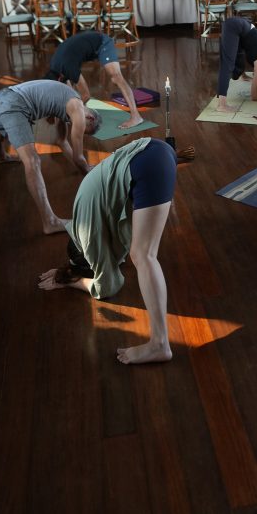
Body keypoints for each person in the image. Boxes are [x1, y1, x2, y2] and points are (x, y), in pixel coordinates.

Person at [37, 137, 176, 365]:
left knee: (143, 255)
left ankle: (159, 343)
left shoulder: (87, 236)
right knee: (140, 249)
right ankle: (159, 343)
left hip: (148, 165)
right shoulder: (81, 217)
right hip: (155, 150)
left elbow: (108, 287)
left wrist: (72, 281)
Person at [0, 79, 102, 235]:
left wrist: (82, 168)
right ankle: (50, 222)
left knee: (1, 130)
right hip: (14, 104)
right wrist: (90, 172)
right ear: (90, 118)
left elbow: (61, 141)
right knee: (32, 161)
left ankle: (0, 155)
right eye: (84, 129)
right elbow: (78, 158)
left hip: (1, 98)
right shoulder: (78, 109)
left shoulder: (68, 100)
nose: (77, 128)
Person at [44, 30, 143, 130]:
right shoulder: (55, 67)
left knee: (116, 77)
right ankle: (81, 113)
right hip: (85, 44)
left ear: (59, 79)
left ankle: (136, 117)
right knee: (73, 100)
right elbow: (69, 94)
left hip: (102, 42)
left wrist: (70, 112)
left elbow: (86, 95)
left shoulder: (68, 68)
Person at [216, 16, 257, 113]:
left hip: (241, 28)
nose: (255, 77)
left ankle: (243, 75)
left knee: (236, 73)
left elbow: (245, 49)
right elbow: (254, 96)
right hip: (236, 26)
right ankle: (222, 105)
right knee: (227, 65)